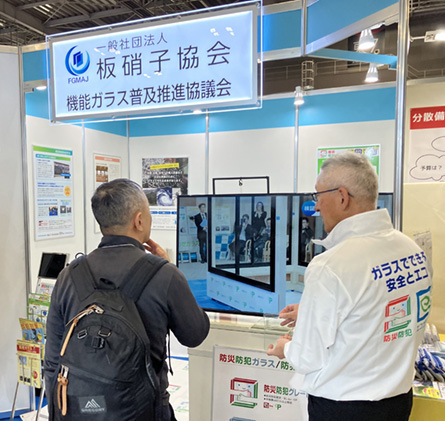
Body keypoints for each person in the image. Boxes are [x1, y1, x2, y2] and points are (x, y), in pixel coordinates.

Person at [267, 152, 432, 421]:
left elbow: (307, 357)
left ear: (342, 197)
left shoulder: (331, 265)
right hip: (399, 402)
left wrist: (284, 348)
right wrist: (311, 311)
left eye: (318, 196)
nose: (316, 207)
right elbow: (378, 309)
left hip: (344, 408)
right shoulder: (411, 249)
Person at [44, 178, 210, 421]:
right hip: (144, 412)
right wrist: (172, 270)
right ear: (139, 220)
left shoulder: (69, 275)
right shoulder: (164, 274)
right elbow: (195, 334)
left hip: (78, 412)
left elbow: (52, 361)